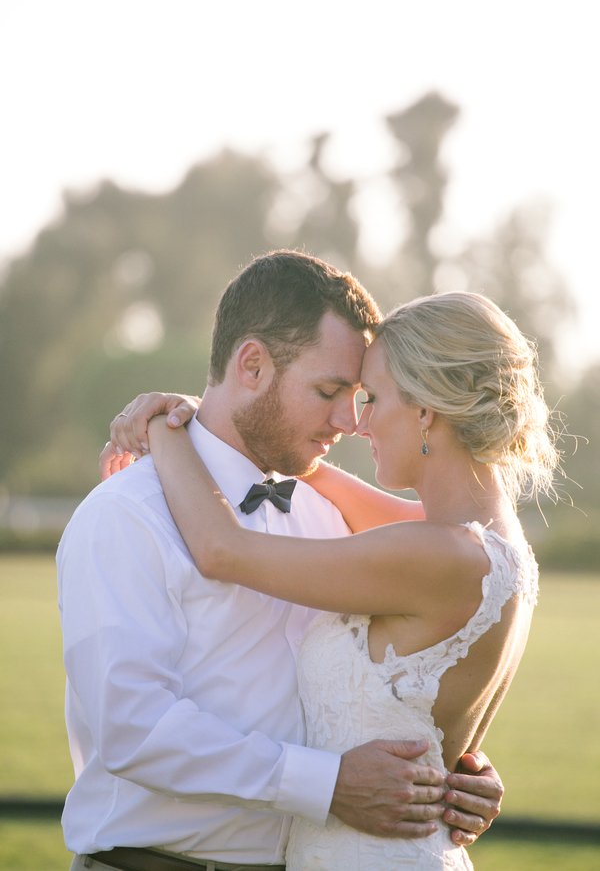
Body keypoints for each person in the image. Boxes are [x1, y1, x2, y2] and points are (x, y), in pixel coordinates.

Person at [59, 251, 503, 871]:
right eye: (328, 391)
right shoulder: (128, 514)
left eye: (358, 395)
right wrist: (327, 784)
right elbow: (134, 728)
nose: (349, 421)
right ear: (252, 365)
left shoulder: (326, 520)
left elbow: (375, 681)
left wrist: (447, 769)